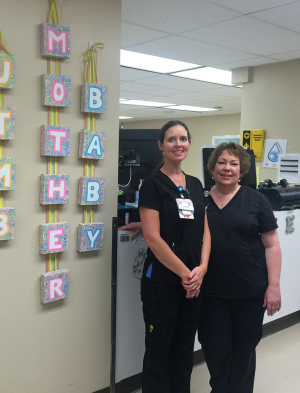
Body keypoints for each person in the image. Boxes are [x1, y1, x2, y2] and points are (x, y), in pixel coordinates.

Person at [129, 120, 211, 393]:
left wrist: (202, 268)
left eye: (183, 139)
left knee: (184, 349)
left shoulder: (197, 184)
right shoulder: (152, 186)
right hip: (163, 283)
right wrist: (186, 274)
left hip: (193, 283)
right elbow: (153, 238)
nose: (179, 144)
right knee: (158, 351)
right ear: (161, 145)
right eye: (172, 139)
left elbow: (205, 231)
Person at [199, 142, 282, 393]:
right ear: (212, 167)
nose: (227, 168)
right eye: (222, 162)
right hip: (211, 291)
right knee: (215, 348)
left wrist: (274, 286)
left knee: (244, 348)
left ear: (242, 169)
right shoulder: (198, 199)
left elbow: (272, 246)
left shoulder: (257, 200)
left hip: (249, 289)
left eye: (233, 164)